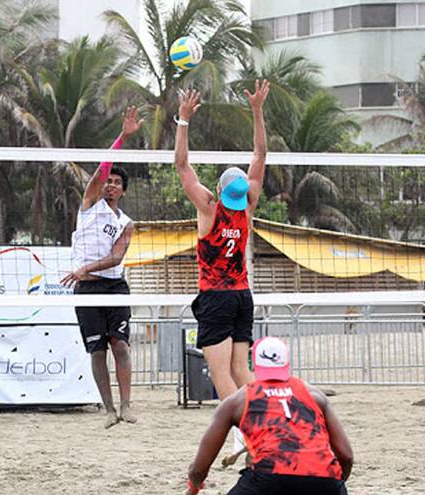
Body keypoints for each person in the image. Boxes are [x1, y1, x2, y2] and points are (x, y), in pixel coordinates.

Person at [174, 80, 270, 456]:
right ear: (244, 189)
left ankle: (247, 431)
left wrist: (183, 121)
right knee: (241, 370)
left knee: (219, 374)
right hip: (243, 296)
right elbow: (260, 155)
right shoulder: (247, 207)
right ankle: (261, 423)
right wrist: (258, 111)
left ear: (218, 187)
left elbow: (182, 166)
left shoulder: (210, 208)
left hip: (215, 297)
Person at [185, 337, 353, 495]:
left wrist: (194, 486)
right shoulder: (315, 395)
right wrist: (335, 484)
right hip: (324, 476)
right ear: (287, 363)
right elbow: (346, 456)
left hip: (270, 476)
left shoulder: (237, 401)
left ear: (255, 365)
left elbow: (200, 468)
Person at [61, 106, 144, 429]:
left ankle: (126, 405)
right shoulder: (90, 205)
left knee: (120, 345)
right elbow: (101, 168)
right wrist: (123, 135)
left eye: (116, 183)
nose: (109, 184)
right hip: (87, 289)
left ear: (123, 190)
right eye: (107, 181)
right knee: (96, 351)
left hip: (112, 285)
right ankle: (108, 410)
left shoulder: (126, 223)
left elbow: (116, 257)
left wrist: (87, 268)